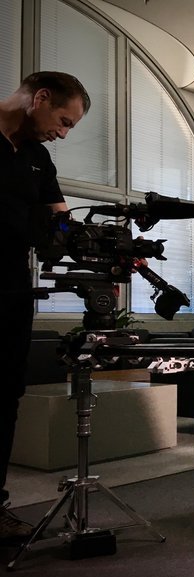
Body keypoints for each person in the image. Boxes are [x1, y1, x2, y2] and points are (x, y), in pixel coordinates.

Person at [0, 72, 90, 543]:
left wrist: (100, 251)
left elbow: (61, 225)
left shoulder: (37, 158)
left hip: (12, 294)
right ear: (39, 98)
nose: (63, 132)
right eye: (63, 120)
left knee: (6, 399)